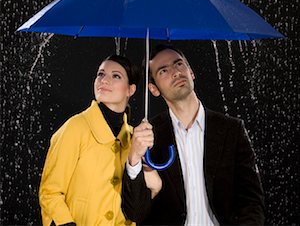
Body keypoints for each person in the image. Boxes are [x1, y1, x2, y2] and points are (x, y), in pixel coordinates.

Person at [122, 44, 265, 226]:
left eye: (179, 64)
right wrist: (134, 158)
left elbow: (252, 201)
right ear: (154, 89)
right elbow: (135, 213)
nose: (175, 72)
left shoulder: (232, 130)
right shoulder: (147, 137)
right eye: (163, 71)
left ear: (191, 72)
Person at [39, 54, 142, 226]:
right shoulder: (75, 128)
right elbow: (50, 192)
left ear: (130, 90)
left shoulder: (135, 139)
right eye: (101, 74)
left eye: (116, 76)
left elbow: (139, 204)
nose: (104, 80)